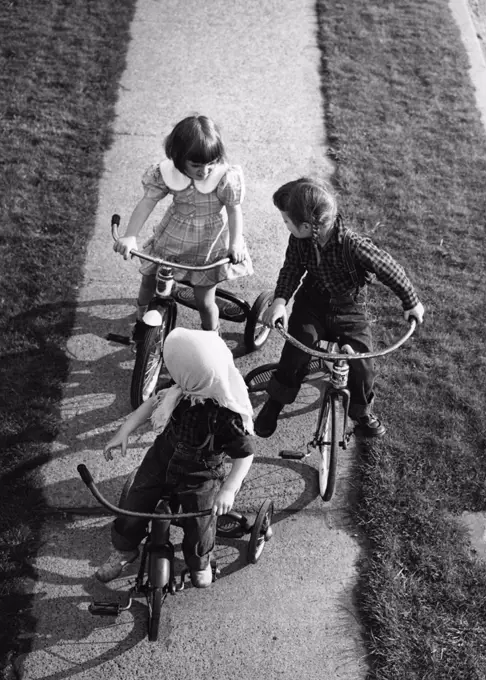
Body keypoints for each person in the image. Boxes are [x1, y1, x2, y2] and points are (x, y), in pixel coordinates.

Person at [254, 177, 425, 439]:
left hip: (349, 310)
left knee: (362, 364)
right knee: (297, 348)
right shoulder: (300, 241)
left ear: (309, 225)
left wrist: (411, 302)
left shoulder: (353, 245)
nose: (286, 226)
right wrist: (280, 302)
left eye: (287, 222)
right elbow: (291, 270)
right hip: (312, 303)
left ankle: (362, 412)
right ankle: (276, 401)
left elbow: (389, 268)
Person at [96, 327, 255, 588]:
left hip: (200, 475)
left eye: (175, 368)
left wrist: (229, 488)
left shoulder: (226, 415)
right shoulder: (180, 387)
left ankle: (199, 560)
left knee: (200, 522)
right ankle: (125, 548)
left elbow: (245, 454)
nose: (171, 374)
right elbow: (152, 403)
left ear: (194, 375)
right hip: (161, 459)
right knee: (136, 501)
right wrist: (124, 430)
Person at [114, 114, 253, 332]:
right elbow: (147, 202)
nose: (204, 171)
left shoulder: (223, 177)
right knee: (149, 280)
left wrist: (235, 243)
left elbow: (234, 211)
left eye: (211, 163)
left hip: (208, 246)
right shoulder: (168, 173)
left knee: (205, 301)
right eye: (196, 165)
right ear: (179, 158)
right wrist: (130, 235)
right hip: (173, 239)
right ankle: (142, 321)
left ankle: (210, 338)